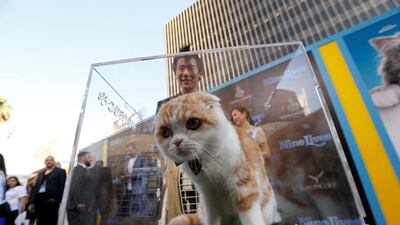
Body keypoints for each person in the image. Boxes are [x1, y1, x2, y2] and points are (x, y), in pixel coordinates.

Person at [156, 50, 205, 223]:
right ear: (175, 74)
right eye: (181, 68)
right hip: (178, 176)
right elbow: (161, 142)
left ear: (200, 73)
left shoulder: (210, 102)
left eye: (190, 68)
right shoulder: (164, 106)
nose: (185, 73)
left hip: (208, 175)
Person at [28, 155, 66, 225]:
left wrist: (55, 198)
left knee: (50, 221)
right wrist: (32, 202)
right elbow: (35, 188)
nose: (48, 162)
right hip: (39, 201)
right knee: (40, 221)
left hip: (51, 201)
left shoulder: (60, 171)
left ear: (54, 162)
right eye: (47, 160)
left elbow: (63, 186)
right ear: (44, 162)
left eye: (51, 160)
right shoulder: (40, 173)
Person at [67, 151, 96, 225]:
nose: (91, 159)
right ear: (82, 158)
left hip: (82, 207)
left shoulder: (83, 169)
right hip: (78, 208)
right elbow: (75, 187)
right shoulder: (78, 170)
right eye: (89, 157)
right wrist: (79, 203)